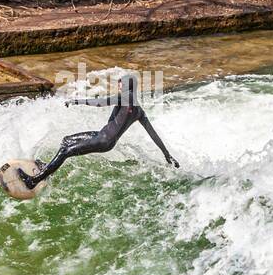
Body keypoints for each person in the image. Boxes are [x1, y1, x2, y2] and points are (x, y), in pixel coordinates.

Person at [16, 73, 180, 191]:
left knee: (66, 151)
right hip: (102, 136)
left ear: (128, 86)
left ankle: (34, 180)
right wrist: (166, 154)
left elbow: (101, 102)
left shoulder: (126, 97)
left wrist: (77, 101)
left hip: (103, 140)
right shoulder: (138, 110)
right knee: (67, 140)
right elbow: (153, 134)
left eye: (121, 83)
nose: (119, 85)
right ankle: (48, 169)